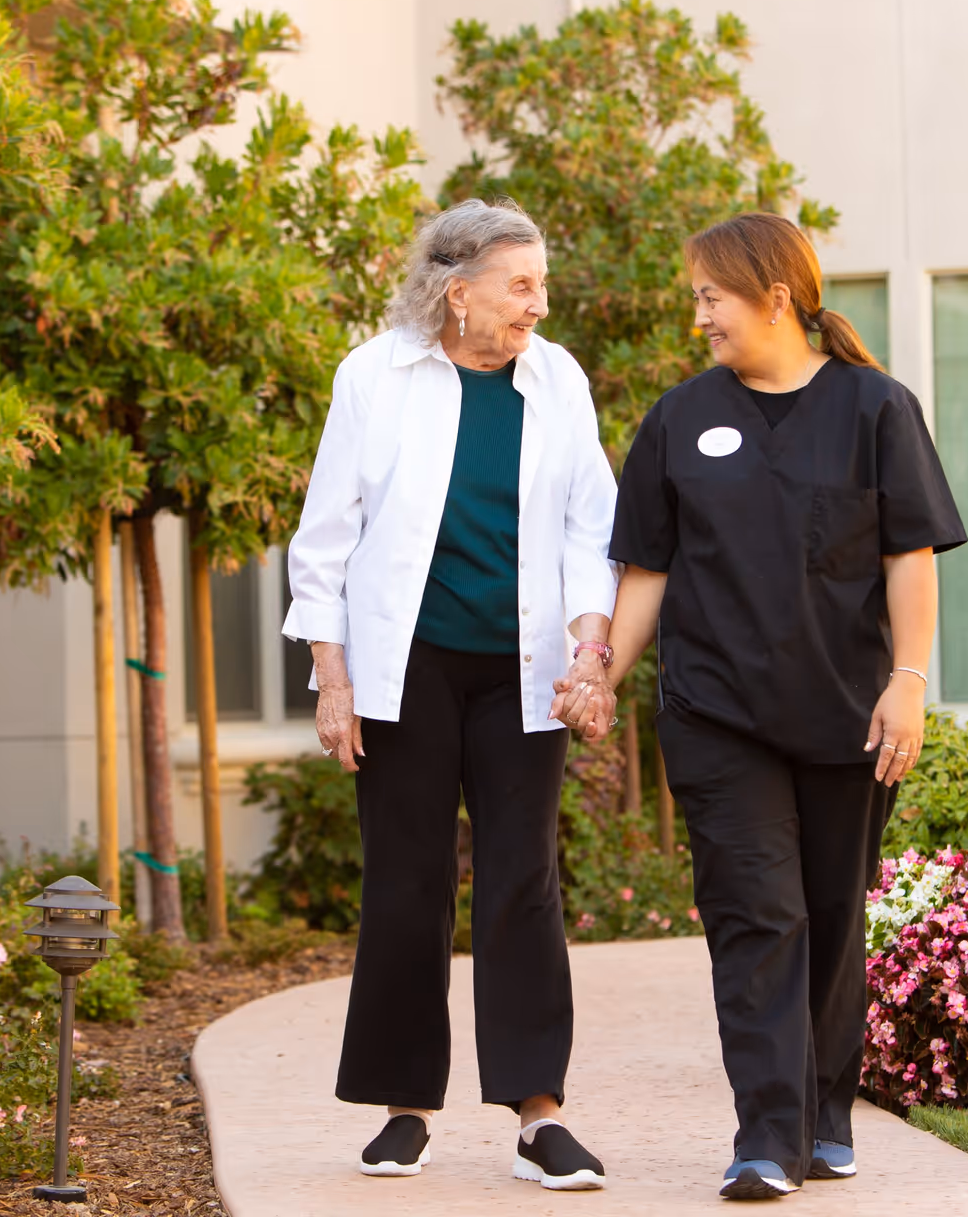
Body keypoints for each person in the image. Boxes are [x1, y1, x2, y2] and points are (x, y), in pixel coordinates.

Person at [588, 212, 966, 1200]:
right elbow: (647, 571)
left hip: (849, 716)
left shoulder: (877, 409)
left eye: (712, 294)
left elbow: (908, 557)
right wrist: (602, 674)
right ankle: (766, 1130)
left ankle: (825, 1106)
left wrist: (910, 681)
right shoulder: (679, 419)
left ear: (776, 296)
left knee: (834, 917)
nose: (700, 314)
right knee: (756, 915)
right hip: (717, 717)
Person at [283, 198, 620, 1192]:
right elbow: (326, 536)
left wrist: (589, 648)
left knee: (524, 881)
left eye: (541, 285)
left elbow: (589, 530)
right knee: (406, 878)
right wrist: (332, 680)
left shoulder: (557, 380)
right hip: (406, 668)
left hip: (522, 671)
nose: (538, 304)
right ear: (456, 288)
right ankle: (404, 1107)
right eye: (522, 285)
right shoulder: (375, 374)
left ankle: (538, 1113)